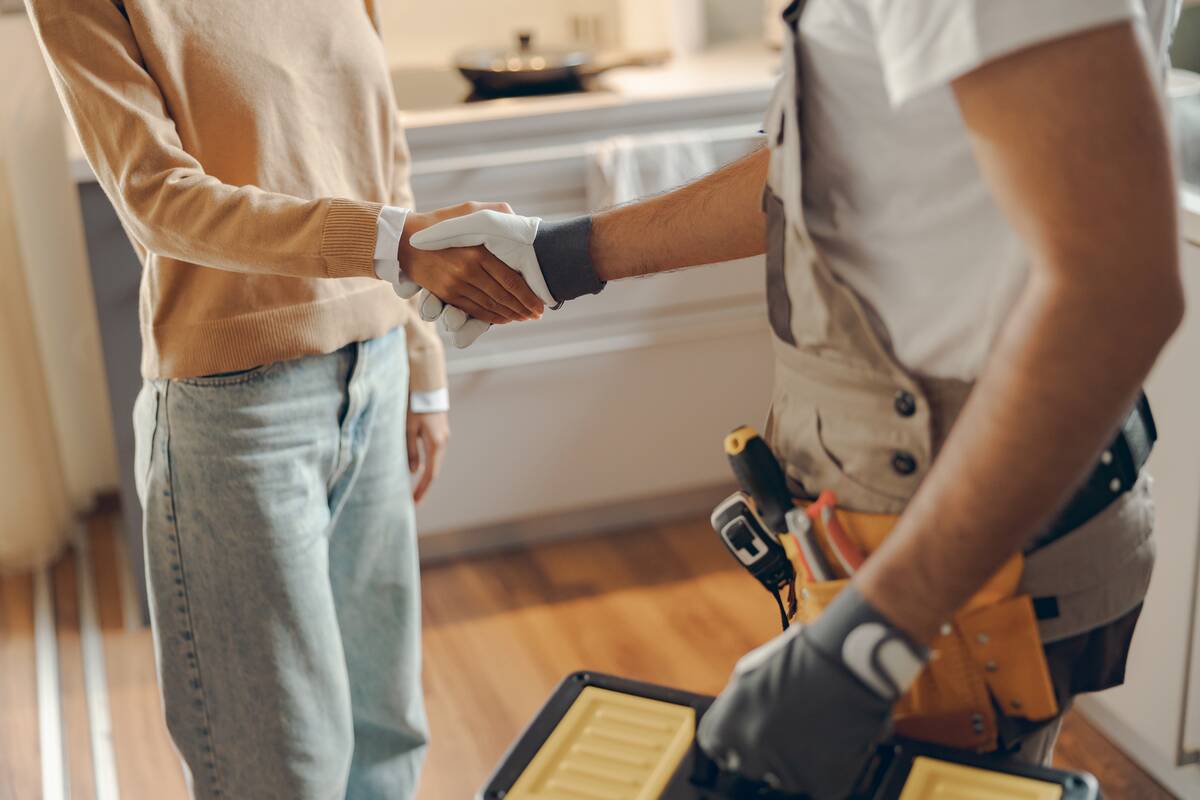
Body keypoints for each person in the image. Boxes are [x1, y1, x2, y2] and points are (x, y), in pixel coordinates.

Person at [406, 1, 1184, 796]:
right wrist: (563, 256)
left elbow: (1118, 296)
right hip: (896, 542)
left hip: (965, 567)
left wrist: (869, 639)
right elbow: (832, 166)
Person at [25, 1, 545, 797]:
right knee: (280, 771)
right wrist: (391, 243)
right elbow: (159, 198)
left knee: (386, 737)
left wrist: (419, 356)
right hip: (238, 420)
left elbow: (381, 160)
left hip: (374, 374)